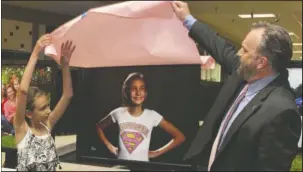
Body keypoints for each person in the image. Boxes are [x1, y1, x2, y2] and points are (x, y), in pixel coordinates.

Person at [172, 1, 301, 171]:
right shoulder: (244, 71)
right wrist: (187, 19)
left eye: (245, 50)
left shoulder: (281, 111)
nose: (238, 53)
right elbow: (218, 46)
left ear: (261, 62)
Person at [13, 34, 75, 171]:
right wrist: (35, 52)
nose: (48, 110)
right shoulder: (22, 129)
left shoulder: (47, 124)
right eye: (42, 108)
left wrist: (65, 65)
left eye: (47, 105)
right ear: (29, 113)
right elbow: (22, 91)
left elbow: (68, 95)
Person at [96, 72, 186, 162]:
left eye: (141, 88)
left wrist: (157, 152)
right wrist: (110, 147)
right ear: (126, 91)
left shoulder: (152, 116)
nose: (138, 92)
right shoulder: (118, 113)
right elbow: (98, 127)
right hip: (121, 166)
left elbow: (180, 137)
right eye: (134, 88)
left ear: (146, 93)